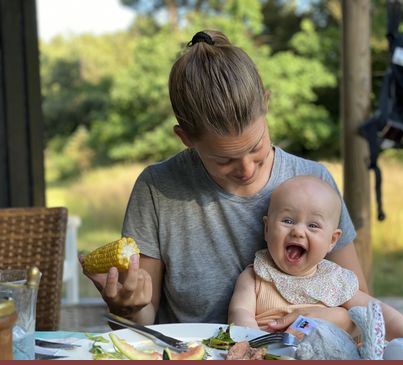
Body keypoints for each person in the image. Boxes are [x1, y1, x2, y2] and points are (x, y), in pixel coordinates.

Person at [82, 30, 367, 328]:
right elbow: (144, 326)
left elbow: (362, 311)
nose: (246, 169)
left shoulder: (313, 182)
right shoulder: (158, 190)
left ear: (266, 104)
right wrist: (126, 309)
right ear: (185, 138)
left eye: (255, 147)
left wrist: (308, 320)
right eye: (224, 159)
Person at [228, 175, 403, 346]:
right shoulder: (255, 276)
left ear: (332, 240)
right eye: (287, 220)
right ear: (267, 228)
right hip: (270, 356)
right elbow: (240, 314)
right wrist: (254, 342)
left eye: (313, 225)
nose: (298, 231)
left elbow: (375, 312)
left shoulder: (334, 281)